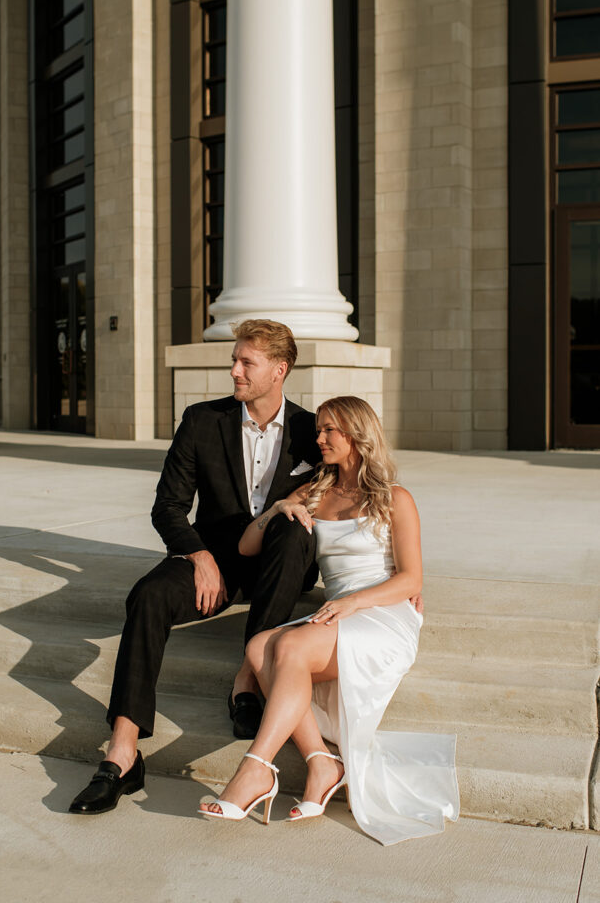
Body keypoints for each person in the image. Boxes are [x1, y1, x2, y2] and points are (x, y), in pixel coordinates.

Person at [69, 320, 322, 815]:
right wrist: (199, 556)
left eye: (246, 362)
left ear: (279, 369)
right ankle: (122, 752)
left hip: (279, 563)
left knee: (294, 530)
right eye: (235, 360)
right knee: (149, 594)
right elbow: (168, 506)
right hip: (218, 560)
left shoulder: (311, 432)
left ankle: (248, 678)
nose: (234, 371)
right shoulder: (203, 420)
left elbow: (353, 496)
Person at [199, 396, 459, 845]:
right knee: (260, 646)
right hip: (337, 612)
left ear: (357, 436)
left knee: (291, 647)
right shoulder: (314, 491)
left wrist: (356, 603)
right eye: (318, 430)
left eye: (329, 431)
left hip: (380, 614)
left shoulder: (394, 498)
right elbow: (245, 546)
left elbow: (411, 578)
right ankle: (322, 762)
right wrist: (278, 510)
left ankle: (256, 768)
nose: (318, 439)